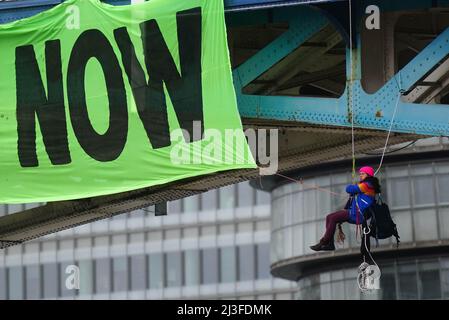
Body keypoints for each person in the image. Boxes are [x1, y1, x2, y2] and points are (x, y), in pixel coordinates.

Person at [310, 166, 381, 251]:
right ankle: (330, 244)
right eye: (360, 174)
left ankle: (324, 242)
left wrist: (351, 186)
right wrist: (346, 208)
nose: (361, 175)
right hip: (356, 213)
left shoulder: (367, 185)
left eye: (363, 174)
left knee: (332, 218)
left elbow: (349, 189)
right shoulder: (366, 185)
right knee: (329, 217)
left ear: (368, 175)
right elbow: (353, 197)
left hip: (358, 214)